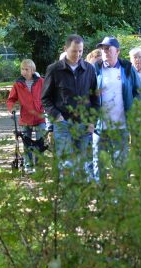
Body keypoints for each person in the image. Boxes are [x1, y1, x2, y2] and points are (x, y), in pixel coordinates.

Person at [41, 34, 100, 178]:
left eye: (80, 51)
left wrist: (93, 121)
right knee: (66, 165)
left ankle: (84, 196)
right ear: (65, 49)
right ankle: (68, 197)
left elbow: (95, 98)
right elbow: (45, 99)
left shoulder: (89, 69)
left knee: (84, 164)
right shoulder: (54, 70)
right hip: (63, 124)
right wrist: (57, 116)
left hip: (84, 124)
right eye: (74, 51)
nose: (78, 54)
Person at [94, 36, 141, 170]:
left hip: (121, 125)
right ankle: (100, 190)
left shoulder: (127, 68)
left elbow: (139, 92)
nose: (105, 51)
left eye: (108, 49)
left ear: (118, 51)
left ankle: (121, 190)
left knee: (120, 163)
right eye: (103, 49)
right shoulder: (95, 69)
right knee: (99, 163)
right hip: (99, 126)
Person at [6, 59, 46, 173]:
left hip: (40, 117)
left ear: (33, 70)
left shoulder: (41, 82)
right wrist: (11, 107)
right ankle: (28, 166)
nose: (24, 71)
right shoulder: (18, 84)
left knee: (40, 142)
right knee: (26, 143)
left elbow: (47, 96)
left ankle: (39, 167)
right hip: (25, 118)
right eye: (22, 69)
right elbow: (11, 99)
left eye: (26, 69)